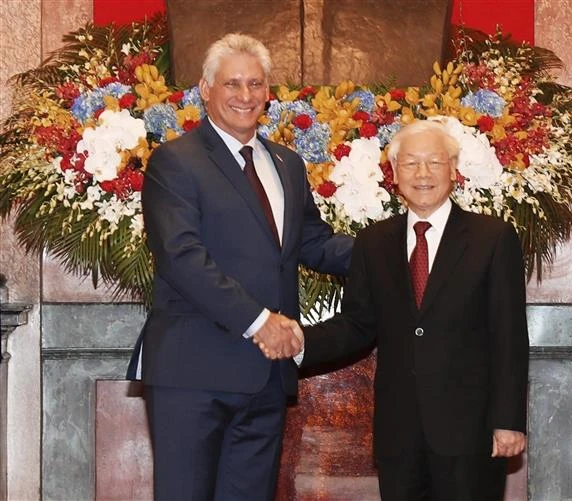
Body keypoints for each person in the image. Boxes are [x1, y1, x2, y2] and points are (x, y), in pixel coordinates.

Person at [128, 33, 353, 500]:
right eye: (232, 83)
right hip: (193, 375)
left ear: (268, 93)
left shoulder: (288, 164)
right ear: (205, 89)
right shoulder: (175, 162)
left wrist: (400, 249)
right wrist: (260, 323)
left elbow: (314, 242)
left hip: (266, 379)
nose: (245, 96)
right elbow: (183, 258)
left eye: (255, 84)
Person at [272, 120, 529, 500]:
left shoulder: (492, 238)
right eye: (410, 163)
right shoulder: (374, 242)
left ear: (453, 169)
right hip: (400, 436)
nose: (422, 173)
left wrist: (508, 421)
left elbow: (509, 336)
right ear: (393, 173)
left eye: (434, 162)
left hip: (470, 434)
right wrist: (299, 341)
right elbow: (358, 324)